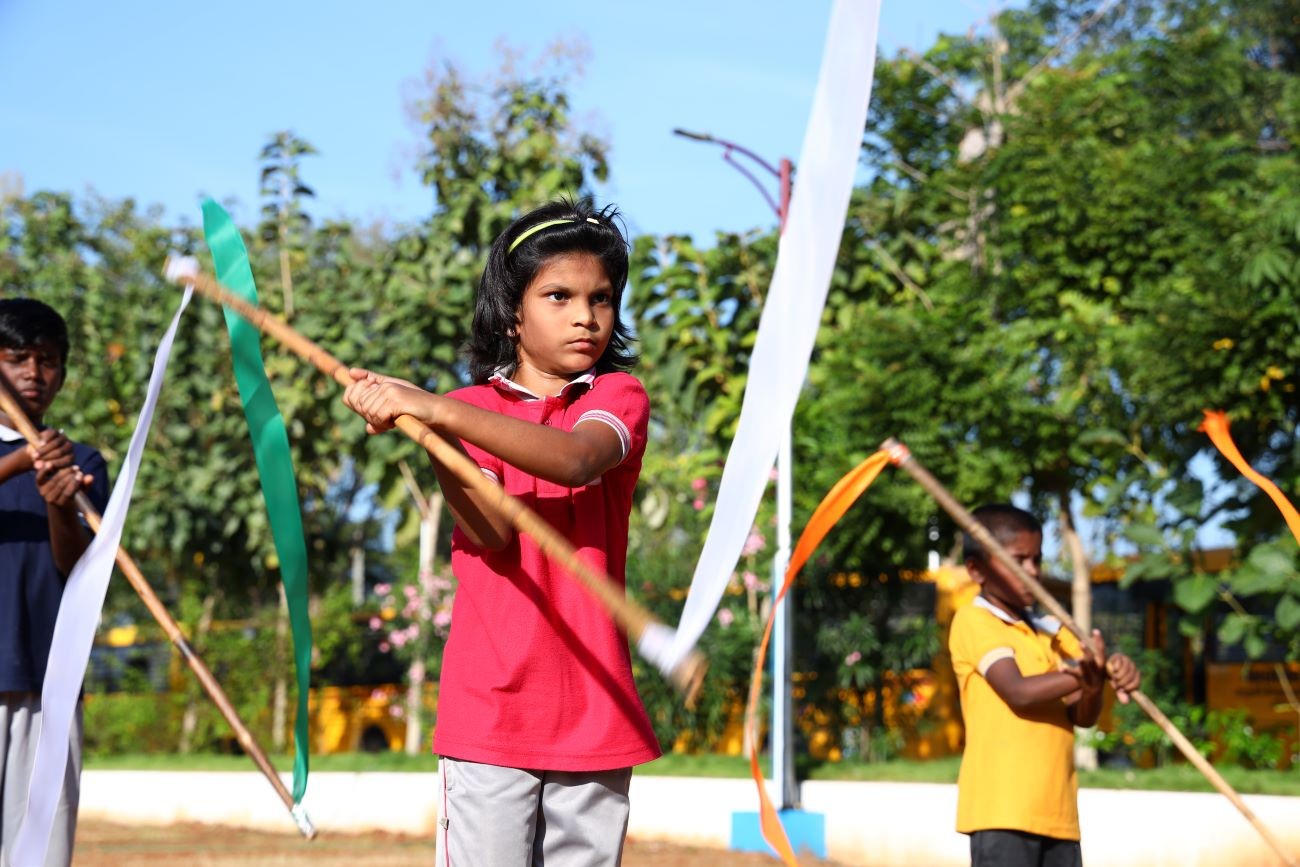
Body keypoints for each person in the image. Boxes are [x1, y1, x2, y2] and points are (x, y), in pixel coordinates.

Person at [343, 198, 660, 866]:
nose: (585, 316)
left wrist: (433, 409)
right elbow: (488, 531)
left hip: (597, 711)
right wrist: (432, 434)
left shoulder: (615, 397)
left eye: (601, 298)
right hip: (490, 711)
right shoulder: (468, 410)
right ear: (512, 311)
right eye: (559, 296)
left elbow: (576, 460)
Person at [948, 503, 1141, 867]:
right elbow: (1018, 692)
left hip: (1059, 816)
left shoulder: (1051, 629)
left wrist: (1101, 678)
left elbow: (1082, 716)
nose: (1032, 572)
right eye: (1018, 561)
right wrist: (1082, 673)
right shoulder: (975, 621)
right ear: (976, 570)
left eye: (1037, 560)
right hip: (1002, 813)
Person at [0, 298, 109, 867]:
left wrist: (60, 503)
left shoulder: (81, 461)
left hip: (49, 683)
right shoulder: (25, 458)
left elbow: (79, 570)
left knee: (37, 853)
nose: (33, 373)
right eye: (16, 358)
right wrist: (18, 463)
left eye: (47, 360)